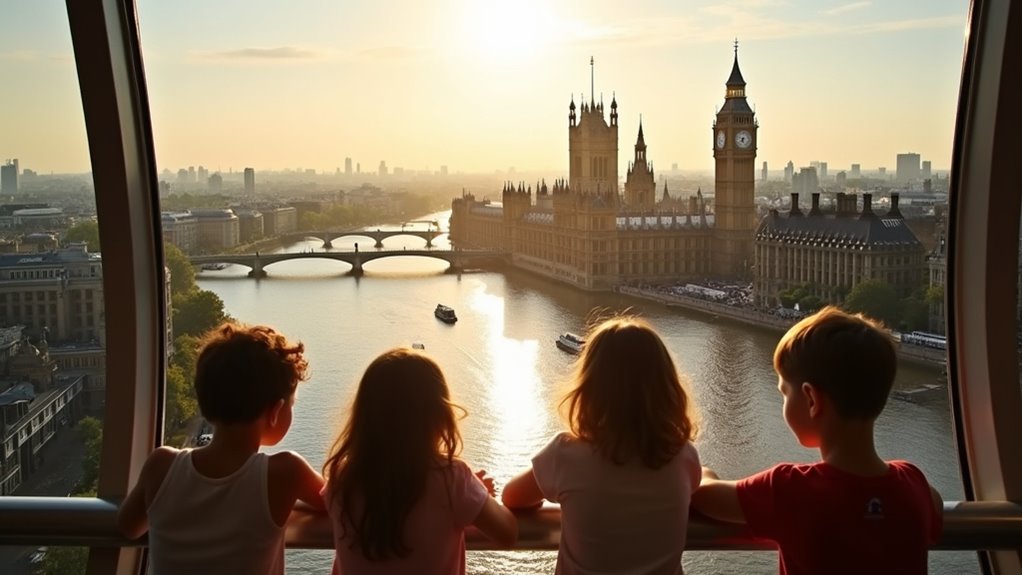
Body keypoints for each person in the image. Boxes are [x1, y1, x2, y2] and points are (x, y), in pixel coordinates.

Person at [692, 306, 943, 575]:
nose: (783, 404)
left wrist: (704, 470)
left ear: (812, 400)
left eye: (784, 394)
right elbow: (934, 511)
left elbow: (703, 495)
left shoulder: (789, 489)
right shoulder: (916, 484)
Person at [118, 322, 325, 575]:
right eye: (291, 406)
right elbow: (335, 500)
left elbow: (129, 527)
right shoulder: (286, 472)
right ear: (275, 412)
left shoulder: (161, 465)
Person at [502, 316, 701, 575]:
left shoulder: (566, 454)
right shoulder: (683, 456)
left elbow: (512, 497)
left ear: (589, 387)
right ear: (668, 387)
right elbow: (693, 487)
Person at [323, 348, 517, 574]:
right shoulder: (451, 478)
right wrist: (478, 496)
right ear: (440, 417)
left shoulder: (342, 479)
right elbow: (508, 534)